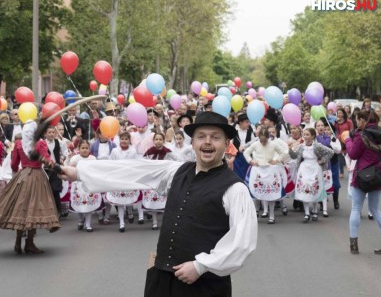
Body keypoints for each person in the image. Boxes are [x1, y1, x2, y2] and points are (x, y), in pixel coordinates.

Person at [60, 111, 257, 297]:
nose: (207, 142)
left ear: (226, 144)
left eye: (215, 137)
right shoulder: (176, 171)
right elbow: (134, 170)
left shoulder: (235, 189)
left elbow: (242, 242)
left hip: (204, 285)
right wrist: (79, 173)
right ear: (194, 142)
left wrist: (200, 266)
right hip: (162, 278)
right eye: (201, 136)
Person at [0, 120, 60, 253]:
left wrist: (17, 173)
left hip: (22, 176)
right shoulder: (40, 143)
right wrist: (56, 167)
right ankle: (29, 243)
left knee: (21, 208)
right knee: (33, 208)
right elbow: (47, 160)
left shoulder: (19, 144)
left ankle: (18, 242)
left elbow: (14, 164)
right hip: (36, 176)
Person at [343, 110, 381, 254]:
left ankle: (353, 245)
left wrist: (348, 140)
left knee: (355, 208)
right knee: (375, 210)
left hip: (362, 175)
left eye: (357, 120)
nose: (356, 123)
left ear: (362, 120)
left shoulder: (361, 136)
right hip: (379, 175)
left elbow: (353, 154)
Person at [289, 128, 334, 223]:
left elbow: (330, 152)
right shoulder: (301, 146)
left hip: (315, 168)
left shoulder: (317, 146)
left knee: (314, 189)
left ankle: (314, 211)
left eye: (307, 134)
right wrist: (289, 149)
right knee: (304, 190)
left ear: (313, 136)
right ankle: (306, 213)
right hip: (304, 168)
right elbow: (294, 156)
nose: (305, 136)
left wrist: (322, 161)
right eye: (304, 134)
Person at [69, 139, 99, 232]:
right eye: (82, 148)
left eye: (86, 148)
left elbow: (95, 171)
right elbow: (71, 170)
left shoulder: (92, 159)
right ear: (79, 149)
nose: (85, 150)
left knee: (88, 205)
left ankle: (88, 224)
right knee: (79, 205)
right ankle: (81, 219)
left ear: (89, 149)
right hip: (77, 185)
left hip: (89, 184)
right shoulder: (75, 159)